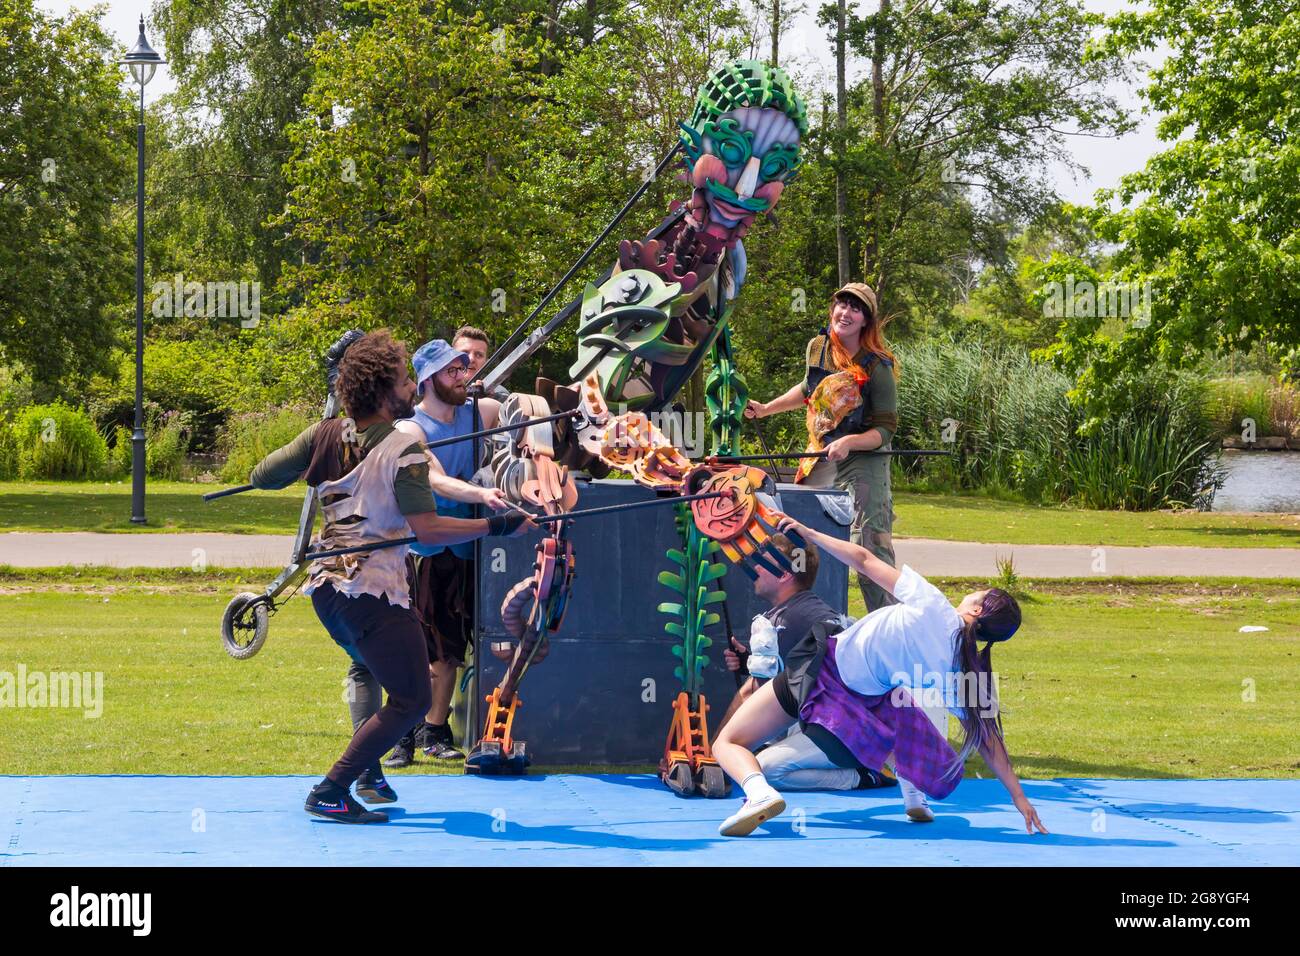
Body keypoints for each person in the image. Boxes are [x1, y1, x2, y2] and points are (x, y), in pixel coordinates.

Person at [248, 330, 534, 823]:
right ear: (384, 393)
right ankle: (333, 787)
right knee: (411, 698)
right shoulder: (404, 447)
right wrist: (495, 524)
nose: (410, 388)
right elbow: (428, 529)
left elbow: (261, 475)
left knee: (381, 677)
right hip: (369, 592)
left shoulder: (326, 434)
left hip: (328, 593)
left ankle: (366, 774)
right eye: (404, 381)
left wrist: (307, 466)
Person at [711, 512, 1046, 839]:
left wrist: (810, 534)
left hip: (822, 674)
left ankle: (759, 794)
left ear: (977, 609)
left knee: (727, 742)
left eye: (981, 594)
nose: (975, 591)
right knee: (899, 704)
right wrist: (1018, 797)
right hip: (864, 704)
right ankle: (910, 787)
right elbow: (988, 739)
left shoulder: (933, 605)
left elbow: (863, 558)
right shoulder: (960, 670)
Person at [383, 339, 504, 765]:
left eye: (464, 368)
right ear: (428, 380)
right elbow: (434, 479)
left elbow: (531, 411)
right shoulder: (409, 429)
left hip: (471, 548)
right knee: (417, 646)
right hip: (425, 547)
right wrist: (482, 493)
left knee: (452, 647)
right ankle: (404, 733)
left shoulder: (481, 412)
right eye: (452, 371)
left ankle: (435, 730)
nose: (462, 376)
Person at [745, 283, 900, 613]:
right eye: (841, 305)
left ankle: (888, 624)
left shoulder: (878, 365)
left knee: (868, 545)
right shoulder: (818, 348)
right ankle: (803, 617)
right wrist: (765, 408)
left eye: (855, 308)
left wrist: (850, 442)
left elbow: (885, 430)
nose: (845, 312)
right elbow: (806, 389)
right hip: (821, 454)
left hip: (864, 459)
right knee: (797, 535)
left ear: (865, 320)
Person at [717, 532, 895, 794]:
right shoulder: (797, 613)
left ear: (785, 575)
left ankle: (863, 776)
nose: (755, 568)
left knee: (764, 770)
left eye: (763, 562)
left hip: (849, 730)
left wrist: (716, 753)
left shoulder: (793, 618)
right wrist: (750, 663)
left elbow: (752, 692)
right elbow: (802, 670)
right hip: (848, 726)